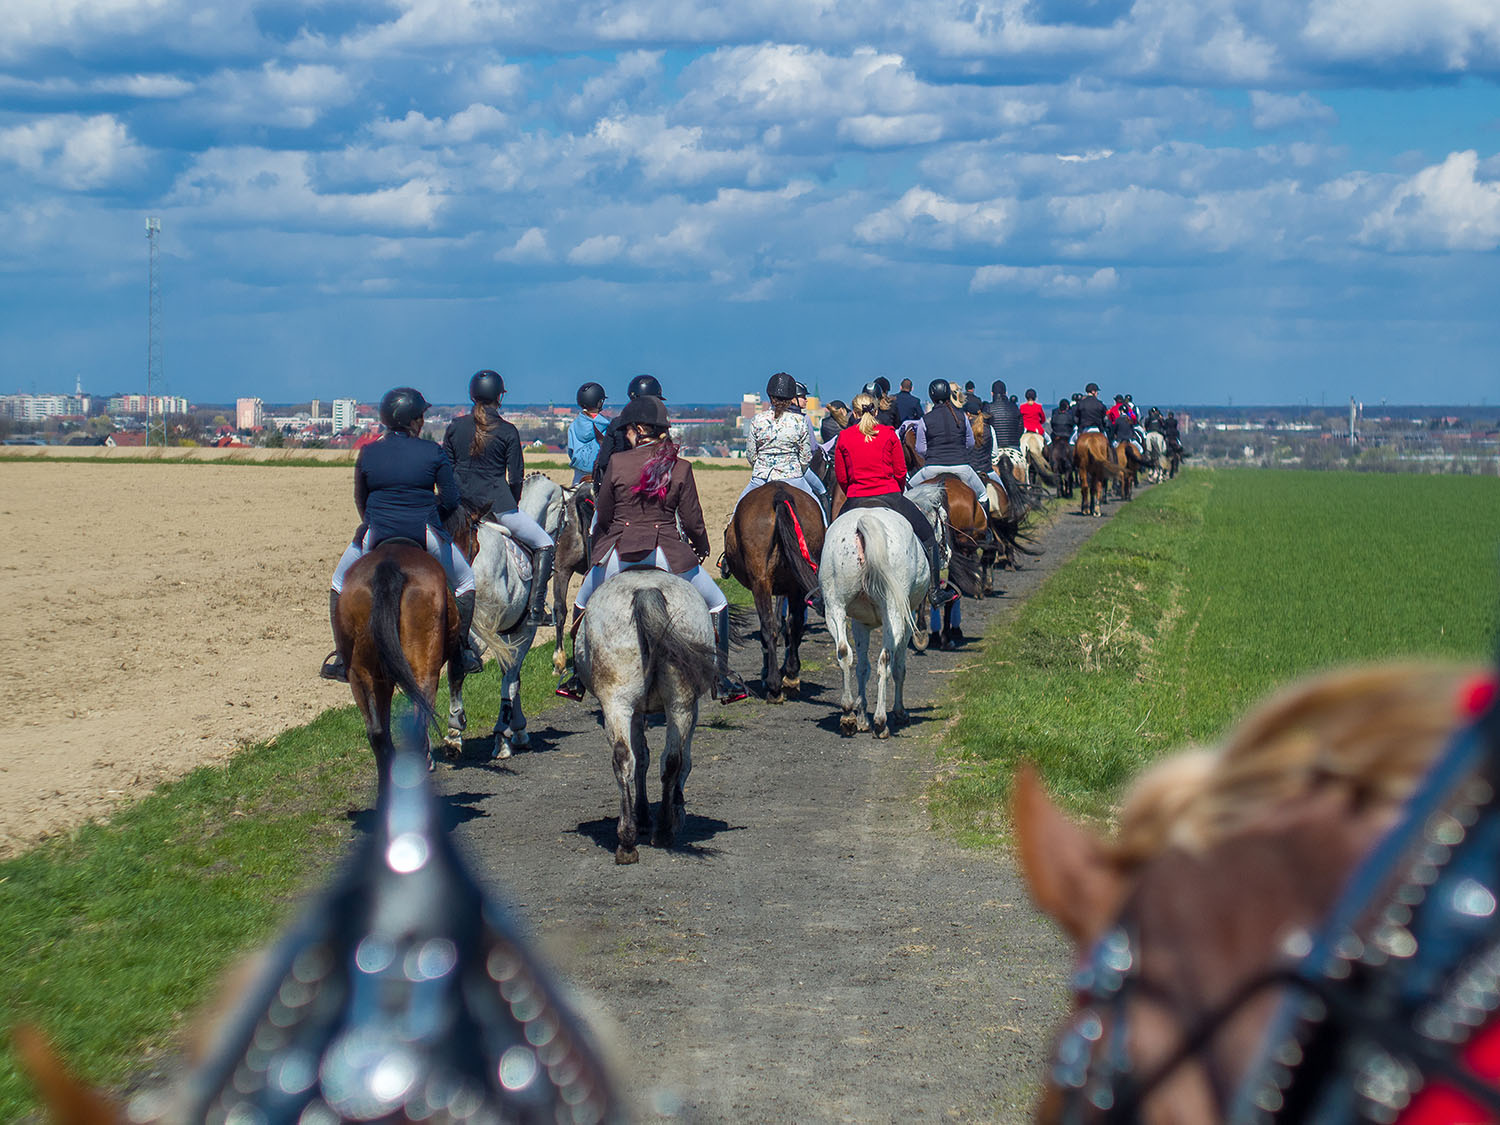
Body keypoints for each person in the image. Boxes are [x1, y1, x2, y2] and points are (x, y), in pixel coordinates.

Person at [556, 395, 747, 703]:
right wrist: (699, 549)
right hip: (667, 555)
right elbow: (693, 521)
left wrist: (603, 546)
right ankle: (722, 679)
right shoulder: (681, 467)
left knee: (581, 602)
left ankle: (577, 678)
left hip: (619, 555)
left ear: (640, 430)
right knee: (718, 604)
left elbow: (603, 514)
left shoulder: (617, 462)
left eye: (629, 430)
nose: (627, 435)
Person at [322, 387, 481, 681]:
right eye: (421, 416)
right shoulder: (432, 452)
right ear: (413, 421)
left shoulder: (368, 452)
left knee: (337, 583)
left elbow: (361, 498)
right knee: (466, 583)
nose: (422, 421)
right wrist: (435, 517)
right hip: (424, 533)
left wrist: (374, 523)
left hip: (376, 532)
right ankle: (462, 651)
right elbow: (450, 501)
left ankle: (343, 658)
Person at [442, 370, 556, 628]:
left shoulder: (454, 427)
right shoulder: (507, 430)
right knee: (545, 543)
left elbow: (445, 470)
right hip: (497, 507)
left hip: (458, 508)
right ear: (499, 397)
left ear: (472, 395)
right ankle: (536, 609)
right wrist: (512, 505)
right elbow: (516, 477)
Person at [829, 392, 957, 610]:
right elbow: (900, 470)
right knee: (928, 536)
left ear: (854, 413)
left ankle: (826, 591)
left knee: (830, 539)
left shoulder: (845, 437)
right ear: (877, 411)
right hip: (889, 495)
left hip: (856, 498)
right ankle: (935, 591)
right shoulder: (888, 434)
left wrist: (854, 489)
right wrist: (896, 493)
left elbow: (841, 476)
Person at [736, 372, 818, 508]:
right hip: (792, 476)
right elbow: (806, 457)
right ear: (791, 397)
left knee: (737, 512)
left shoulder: (757, 419)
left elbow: (750, 454)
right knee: (818, 509)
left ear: (770, 396)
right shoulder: (800, 421)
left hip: (762, 477)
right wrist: (797, 470)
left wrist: (762, 467)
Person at [906, 378, 988, 505]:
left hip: (933, 468)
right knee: (983, 495)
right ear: (948, 394)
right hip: (961, 467)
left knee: (907, 492)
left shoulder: (925, 419)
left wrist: (933, 455)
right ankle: (986, 525)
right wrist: (960, 452)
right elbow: (970, 443)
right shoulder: (961, 417)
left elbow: (920, 449)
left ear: (931, 396)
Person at [591, 373, 665, 483]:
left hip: (621, 481)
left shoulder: (617, 423)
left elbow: (603, 461)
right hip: (653, 483)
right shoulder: (661, 424)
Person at [567, 382, 608, 485]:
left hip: (579, 477)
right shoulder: (607, 426)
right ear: (599, 402)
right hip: (600, 477)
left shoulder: (573, 426)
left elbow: (571, 452)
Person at [987, 379, 1024, 482]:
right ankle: (1028, 487)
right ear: (1006, 393)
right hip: (1013, 447)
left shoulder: (988, 408)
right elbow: (1020, 428)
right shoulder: (1014, 408)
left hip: (994, 450)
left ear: (992, 393)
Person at [1018, 388, 1047, 473]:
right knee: (1049, 441)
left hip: (1025, 430)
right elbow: (1043, 419)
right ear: (1035, 397)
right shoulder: (1038, 406)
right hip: (1037, 430)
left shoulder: (1022, 407)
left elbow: (1020, 419)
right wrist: (1039, 423)